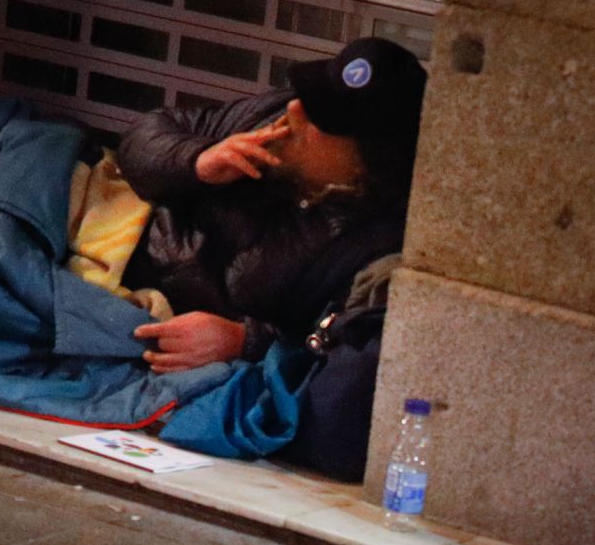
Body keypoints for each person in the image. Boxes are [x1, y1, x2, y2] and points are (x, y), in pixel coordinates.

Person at [115, 37, 428, 373]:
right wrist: (196, 161)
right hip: (121, 247)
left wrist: (244, 341)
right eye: (309, 97)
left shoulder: (377, 240)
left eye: (318, 121)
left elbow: (336, 346)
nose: (295, 111)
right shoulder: (272, 116)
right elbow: (143, 136)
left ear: (361, 163)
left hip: (167, 332)